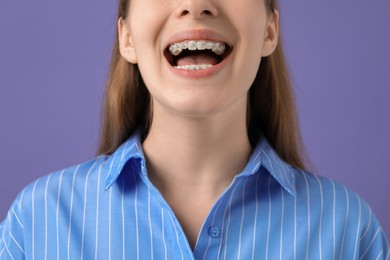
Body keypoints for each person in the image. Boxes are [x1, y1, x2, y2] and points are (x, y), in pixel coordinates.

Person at [1, 0, 389, 259]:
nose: (195, 3)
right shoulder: (36, 224)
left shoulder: (348, 233)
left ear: (270, 30)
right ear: (128, 37)